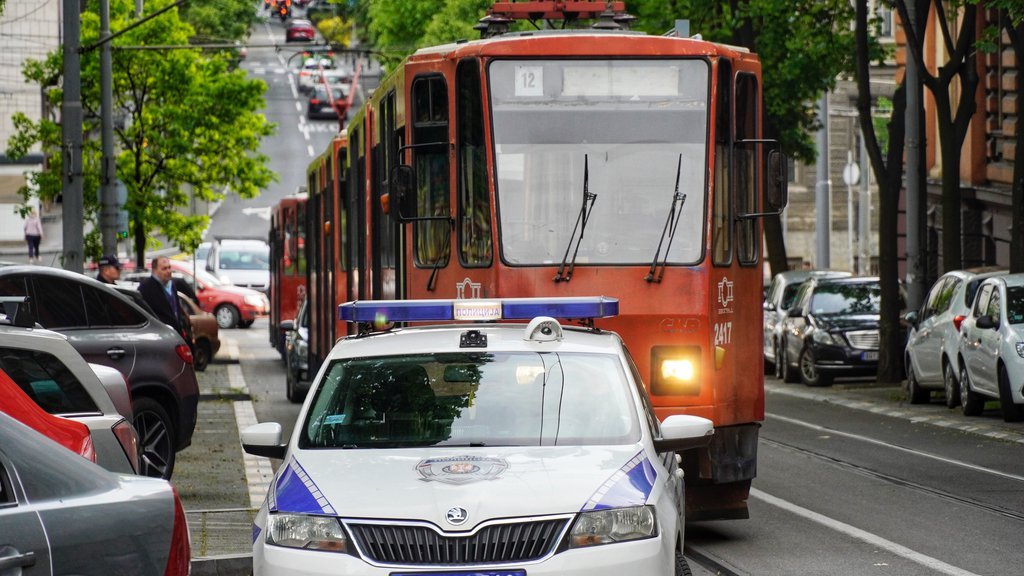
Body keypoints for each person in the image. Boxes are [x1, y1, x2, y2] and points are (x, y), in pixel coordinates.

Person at [138, 256, 183, 335]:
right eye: (164, 269)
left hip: (175, 334)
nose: (168, 271)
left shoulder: (171, 285)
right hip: (159, 335)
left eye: (169, 267)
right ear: (154, 270)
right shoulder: (146, 287)